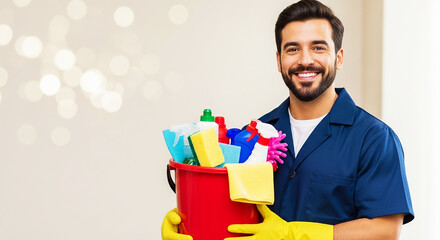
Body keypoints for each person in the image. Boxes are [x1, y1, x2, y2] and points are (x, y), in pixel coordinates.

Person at [161, 0, 414, 239]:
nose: (305, 60)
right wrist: (188, 221)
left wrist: (292, 235)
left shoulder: (373, 139)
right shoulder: (254, 136)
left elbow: (384, 231)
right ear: (279, 60)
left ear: (338, 58)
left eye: (318, 47)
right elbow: (228, 212)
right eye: (292, 49)